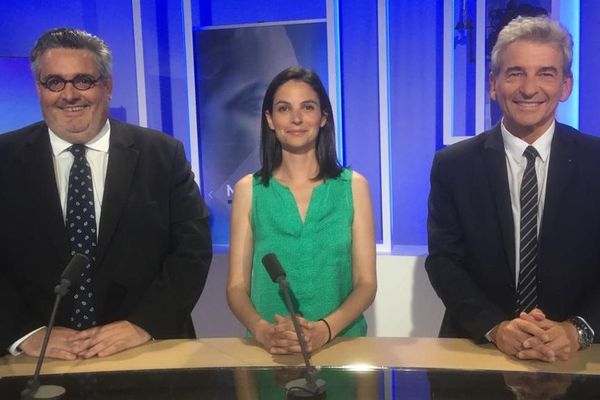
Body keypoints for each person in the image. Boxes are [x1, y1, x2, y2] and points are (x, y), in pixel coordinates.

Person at [0, 28, 212, 359]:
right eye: (54, 82)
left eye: (83, 80)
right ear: (39, 89)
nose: (69, 95)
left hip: (145, 351)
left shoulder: (162, 154)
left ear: (107, 86)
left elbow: (192, 249)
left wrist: (144, 324)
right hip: (37, 360)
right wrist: (24, 333)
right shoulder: (4, 158)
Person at [425, 15, 599, 363]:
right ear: (493, 84)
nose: (529, 88)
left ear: (566, 86)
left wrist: (578, 329)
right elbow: (445, 263)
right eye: (515, 72)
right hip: (480, 351)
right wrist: (496, 328)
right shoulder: (453, 165)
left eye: (545, 73)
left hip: (578, 356)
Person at [227, 66, 377, 354]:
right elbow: (236, 287)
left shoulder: (353, 186)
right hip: (269, 350)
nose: (296, 118)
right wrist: (263, 331)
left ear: (323, 117)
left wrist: (324, 329)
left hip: (342, 345)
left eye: (307, 107)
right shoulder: (249, 190)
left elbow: (366, 283)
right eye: (284, 109)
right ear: (270, 119)